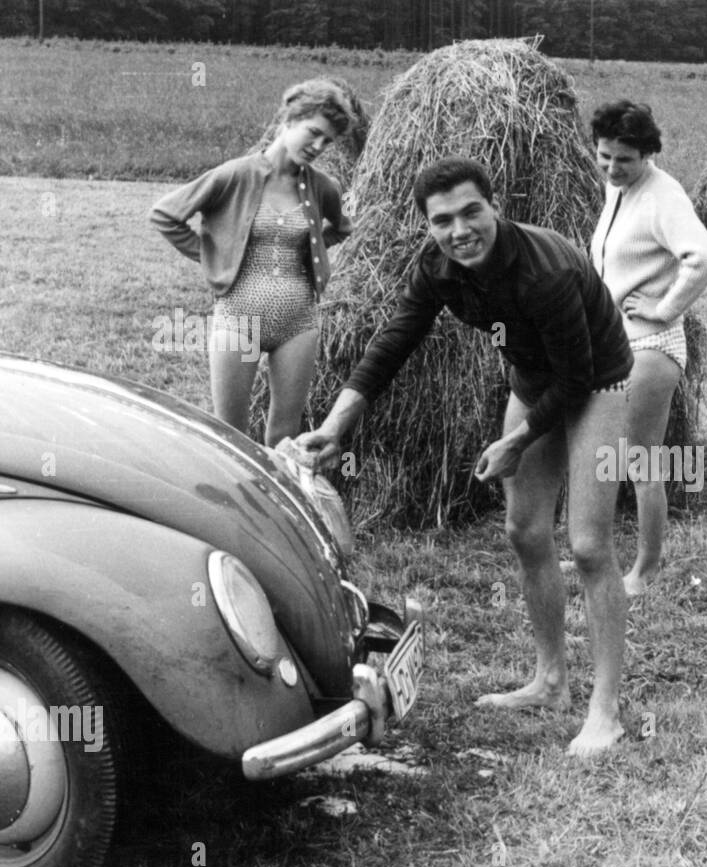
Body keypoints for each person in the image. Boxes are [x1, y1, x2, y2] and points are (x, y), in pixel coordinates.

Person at [295, 157, 633, 757]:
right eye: (442, 220)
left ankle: (605, 710)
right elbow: (395, 339)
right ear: (428, 225)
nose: (460, 230)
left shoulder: (544, 272)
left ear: (494, 205)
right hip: (535, 381)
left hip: (597, 383)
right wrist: (335, 426)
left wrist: (518, 440)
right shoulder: (439, 268)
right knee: (526, 532)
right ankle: (550, 681)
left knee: (587, 544)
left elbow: (577, 377)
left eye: (471, 211)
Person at [149, 79, 355, 446]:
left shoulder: (324, 186)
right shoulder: (234, 174)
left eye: (328, 141)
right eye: (314, 133)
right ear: (289, 118)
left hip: (299, 322)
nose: (319, 146)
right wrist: (216, 256)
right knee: (230, 438)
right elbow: (166, 215)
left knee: (285, 438)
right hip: (238, 317)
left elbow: (341, 227)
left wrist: (312, 250)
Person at [589, 100, 707, 597]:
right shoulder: (617, 188)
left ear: (647, 153)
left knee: (643, 462)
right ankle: (593, 552)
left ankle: (646, 570)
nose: (611, 167)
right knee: (602, 454)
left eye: (624, 159)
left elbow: (705, 258)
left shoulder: (664, 195)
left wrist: (665, 308)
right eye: (604, 156)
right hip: (613, 344)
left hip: (651, 347)